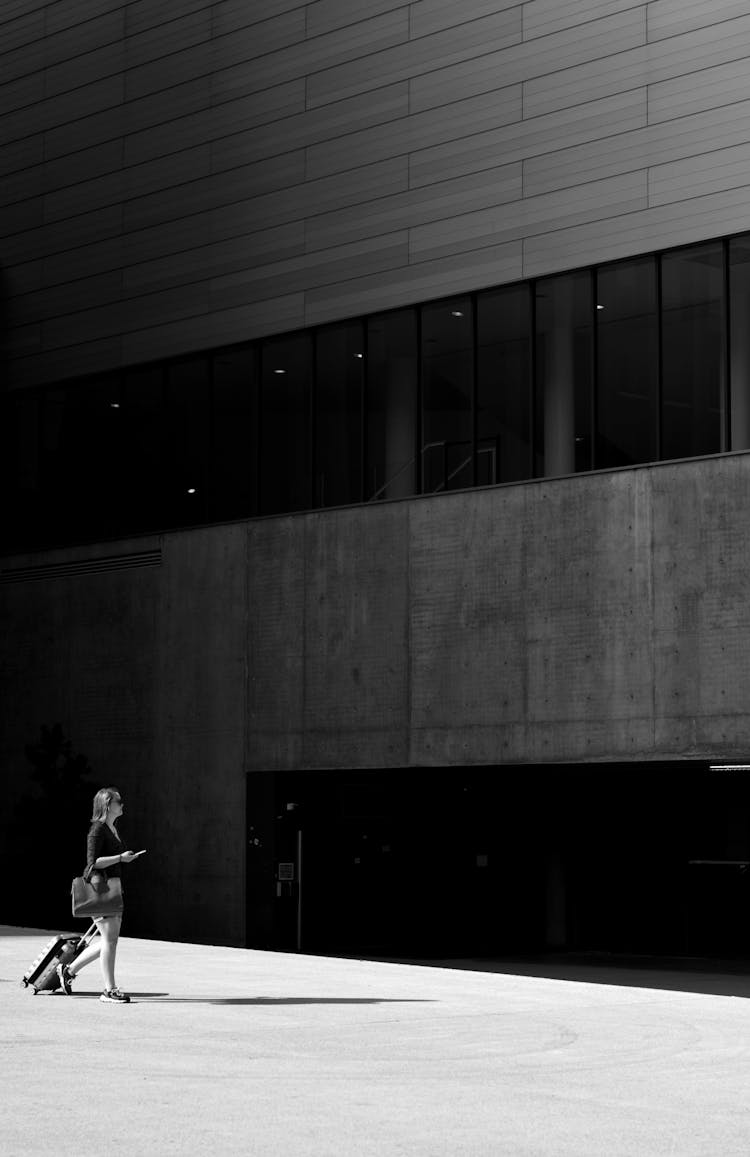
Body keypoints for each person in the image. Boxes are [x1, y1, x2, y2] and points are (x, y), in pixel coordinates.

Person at [57, 787, 145, 1004]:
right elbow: (92, 864)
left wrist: (124, 859)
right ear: (107, 805)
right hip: (99, 891)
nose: (122, 804)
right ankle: (109, 990)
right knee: (110, 940)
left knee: (110, 940)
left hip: (113, 891)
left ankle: (68, 971)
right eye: (119, 801)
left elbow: (113, 860)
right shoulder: (97, 829)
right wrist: (120, 858)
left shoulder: (112, 828)